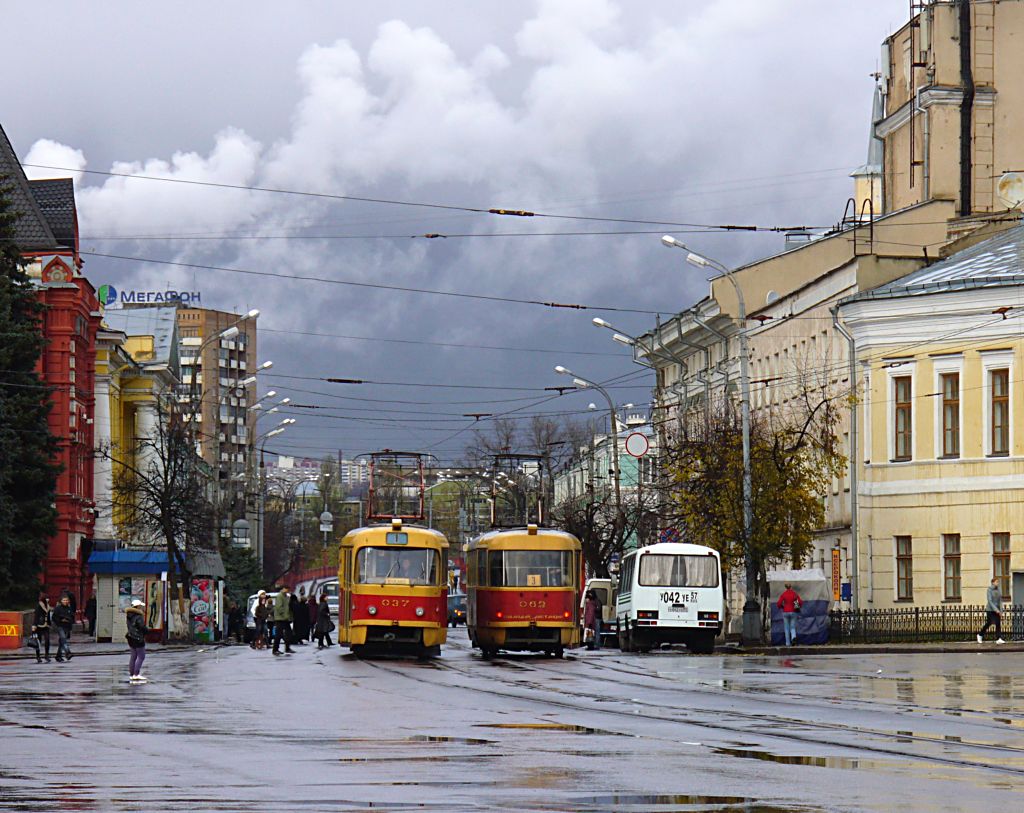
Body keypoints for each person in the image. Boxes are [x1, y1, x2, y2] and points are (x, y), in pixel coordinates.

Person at [126, 598, 149, 682]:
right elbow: (142, 627)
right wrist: (147, 631)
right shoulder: (138, 616)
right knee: (141, 656)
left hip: (131, 637)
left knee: (133, 656)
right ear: (138, 606)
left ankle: (132, 674)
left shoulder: (129, 615)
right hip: (138, 638)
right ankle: (136, 674)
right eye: (140, 606)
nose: (141, 608)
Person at [978, 578, 1006, 644]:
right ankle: (980, 635)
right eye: (996, 582)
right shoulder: (989, 590)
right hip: (990, 609)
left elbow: (1000, 601)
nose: (997, 583)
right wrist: (996, 610)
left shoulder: (999, 589)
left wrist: (1001, 611)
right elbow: (990, 601)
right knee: (989, 622)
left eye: (998, 582)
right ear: (993, 582)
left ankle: (998, 638)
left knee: (998, 623)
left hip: (997, 610)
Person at [52, 594, 75, 662]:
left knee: (61, 641)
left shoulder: (69, 608)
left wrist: (69, 620)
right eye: (64, 600)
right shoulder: (58, 608)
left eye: (66, 600)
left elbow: (72, 617)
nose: (65, 601)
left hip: (67, 626)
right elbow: (54, 617)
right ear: (61, 601)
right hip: (60, 626)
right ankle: (68, 652)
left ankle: (58, 656)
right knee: (63, 638)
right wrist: (60, 620)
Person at [272, 585, 294, 655]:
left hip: (285, 618)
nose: (287, 590)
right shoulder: (280, 596)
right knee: (278, 634)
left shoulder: (286, 596)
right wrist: (284, 615)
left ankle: (287, 648)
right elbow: (279, 607)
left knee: (288, 633)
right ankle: (275, 649)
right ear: (283, 589)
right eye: (286, 589)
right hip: (280, 618)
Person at [31, 594, 51, 663]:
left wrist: (49, 623)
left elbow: (48, 615)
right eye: (46, 598)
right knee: (38, 641)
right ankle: (38, 656)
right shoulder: (39, 606)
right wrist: (34, 625)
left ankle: (46, 655)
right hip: (39, 625)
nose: (48, 599)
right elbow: (36, 616)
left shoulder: (48, 605)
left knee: (47, 640)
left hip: (46, 625)